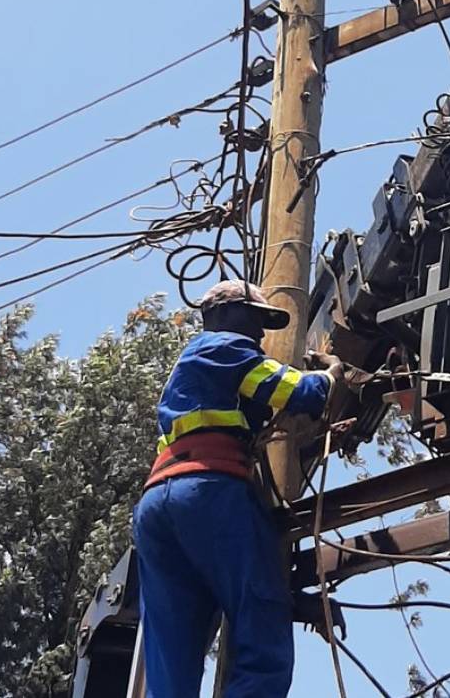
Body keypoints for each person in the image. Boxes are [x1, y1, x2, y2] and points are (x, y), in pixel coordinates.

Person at [133, 280, 344, 696]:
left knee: (171, 645)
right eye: (257, 319)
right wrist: (329, 377)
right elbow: (293, 390)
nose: (262, 334)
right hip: (208, 490)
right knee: (263, 632)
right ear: (226, 313)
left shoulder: (195, 371)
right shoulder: (223, 347)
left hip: (159, 503)